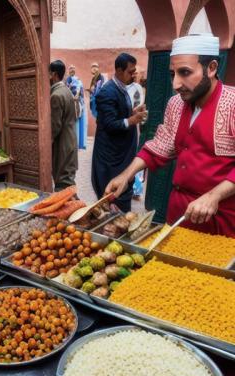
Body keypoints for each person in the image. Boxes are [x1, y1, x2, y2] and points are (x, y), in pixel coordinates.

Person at [105, 34, 235, 237]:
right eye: (173, 74)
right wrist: (125, 175)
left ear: (211, 68)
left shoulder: (232, 104)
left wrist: (214, 196)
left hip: (221, 221)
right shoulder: (176, 104)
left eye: (185, 73)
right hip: (179, 215)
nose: (176, 84)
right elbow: (160, 146)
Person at [91, 53, 147, 211]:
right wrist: (132, 120)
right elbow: (109, 123)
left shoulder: (122, 88)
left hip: (122, 153)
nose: (133, 74)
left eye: (134, 71)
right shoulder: (107, 92)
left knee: (124, 191)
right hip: (111, 157)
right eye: (130, 71)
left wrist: (134, 111)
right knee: (113, 196)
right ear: (119, 70)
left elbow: (119, 114)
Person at [49, 60, 78, 191]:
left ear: (54, 74)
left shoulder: (55, 95)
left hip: (63, 145)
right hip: (70, 141)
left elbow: (55, 127)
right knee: (68, 181)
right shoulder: (66, 90)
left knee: (62, 185)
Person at [126, 80, 146, 200]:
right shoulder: (118, 88)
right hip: (125, 127)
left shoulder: (136, 88)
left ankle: (136, 190)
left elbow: (138, 107)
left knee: (135, 156)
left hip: (133, 126)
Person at [66, 65, 87, 150]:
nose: (72, 70)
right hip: (69, 103)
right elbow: (66, 89)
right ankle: (72, 144)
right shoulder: (67, 80)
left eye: (73, 69)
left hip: (78, 104)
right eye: (70, 69)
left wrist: (77, 94)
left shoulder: (78, 80)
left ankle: (78, 144)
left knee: (78, 123)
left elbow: (80, 90)